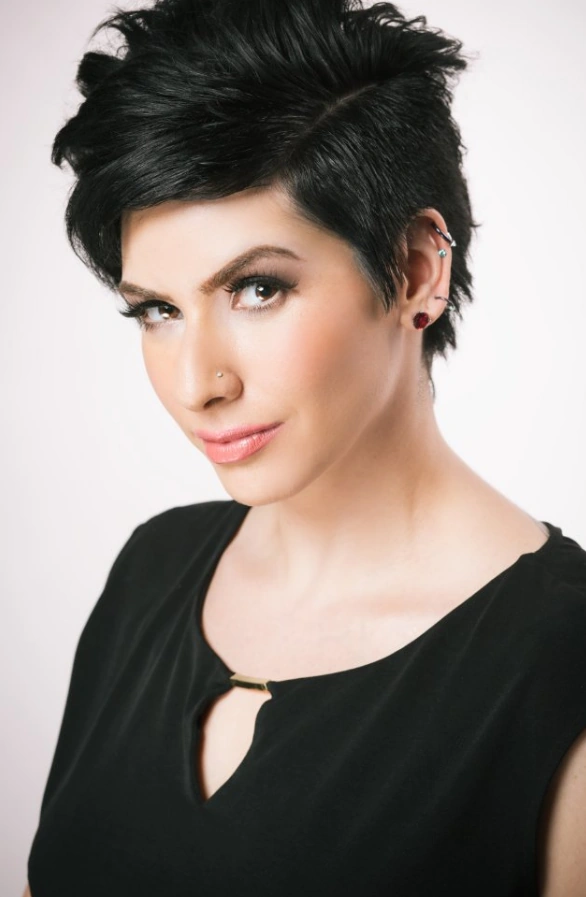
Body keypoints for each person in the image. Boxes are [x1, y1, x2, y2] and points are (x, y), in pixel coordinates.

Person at [23, 0, 586, 895]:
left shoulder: (560, 661)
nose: (197, 381)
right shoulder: (150, 570)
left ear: (416, 269)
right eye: (157, 310)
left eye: (256, 288)